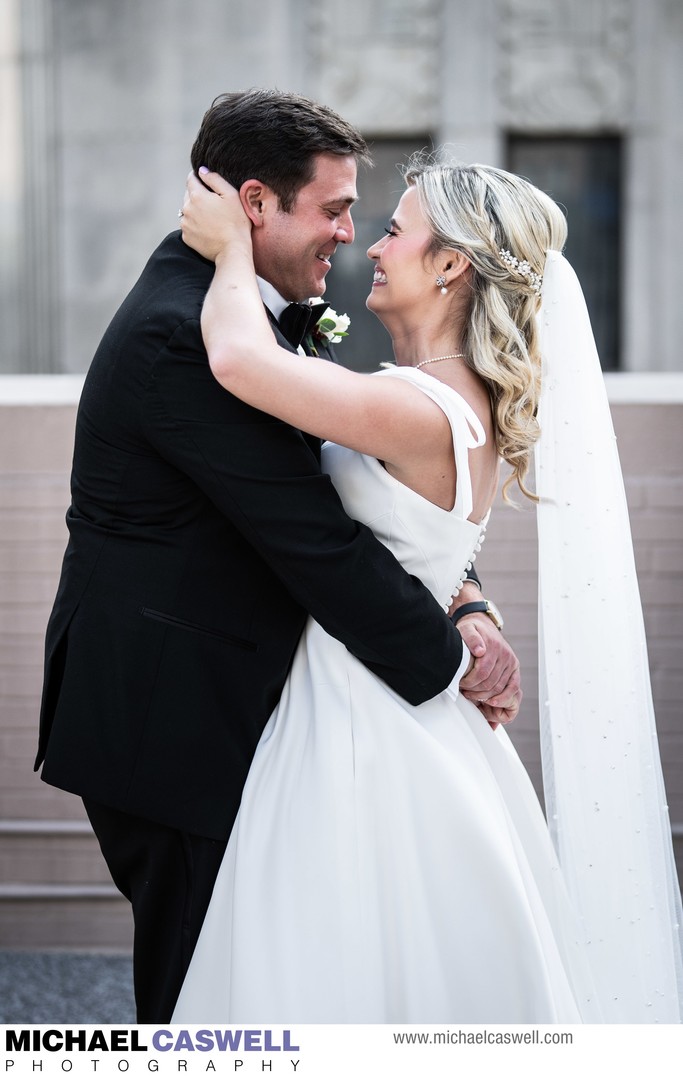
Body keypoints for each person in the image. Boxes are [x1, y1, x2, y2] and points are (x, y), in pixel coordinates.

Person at [34, 90, 520, 1024]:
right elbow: (314, 540)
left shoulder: (241, 321)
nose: (352, 234)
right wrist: (451, 666)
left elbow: (390, 508)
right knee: (203, 1002)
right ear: (255, 205)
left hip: (251, 710)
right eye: (334, 210)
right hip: (171, 721)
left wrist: (463, 599)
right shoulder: (186, 335)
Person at [171, 153, 683, 1023]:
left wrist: (226, 252)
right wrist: (469, 602)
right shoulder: (442, 399)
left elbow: (237, 364)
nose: (372, 246)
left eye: (396, 231)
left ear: (450, 264)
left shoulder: (420, 408)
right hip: (378, 700)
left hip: (368, 728)